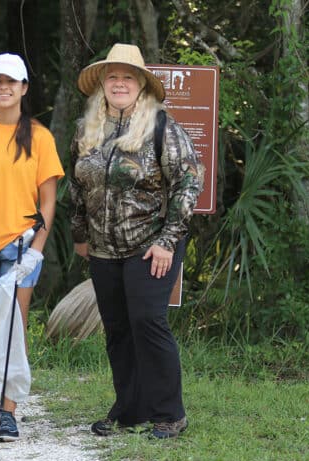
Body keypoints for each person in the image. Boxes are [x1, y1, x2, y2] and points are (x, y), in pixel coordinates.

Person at [69, 43, 204, 439]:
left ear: (141, 84)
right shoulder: (87, 129)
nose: (119, 83)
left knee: (148, 321)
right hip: (103, 249)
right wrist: (80, 234)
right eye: (113, 76)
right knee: (118, 329)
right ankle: (130, 409)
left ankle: (170, 413)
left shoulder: (161, 125)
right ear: (103, 84)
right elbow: (76, 186)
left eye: (128, 76)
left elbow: (188, 182)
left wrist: (167, 239)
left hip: (152, 243)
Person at [0, 53, 64, 444]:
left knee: (13, 331)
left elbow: (48, 201)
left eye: (12, 82)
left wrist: (37, 249)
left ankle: (8, 411)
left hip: (21, 247)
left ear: (24, 87)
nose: (4, 88)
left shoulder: (39, 136)